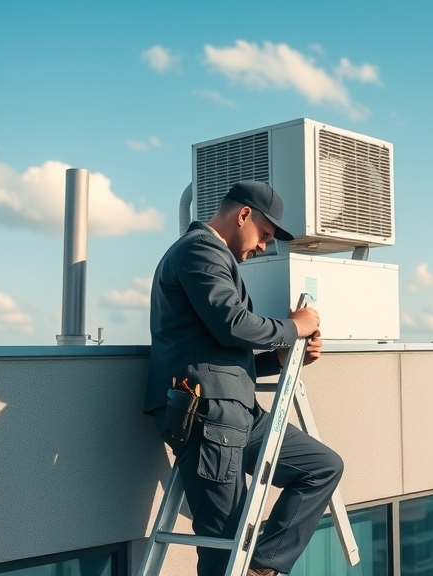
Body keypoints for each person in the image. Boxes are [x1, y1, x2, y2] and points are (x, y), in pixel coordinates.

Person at [145, 180, 343, 576]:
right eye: (265, 235)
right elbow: (231, 325)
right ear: (243, 215)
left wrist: (283, 357)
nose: (264, 247)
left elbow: (224, 349)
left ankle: (262, 566)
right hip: (208, 415)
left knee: (323, 466)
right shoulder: (199, 249)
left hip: (237, 413)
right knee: (223, 546)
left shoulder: (211, 256)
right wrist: (294, 327)